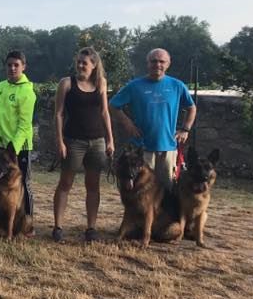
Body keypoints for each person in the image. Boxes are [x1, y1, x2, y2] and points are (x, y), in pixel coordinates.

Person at [110, 48, 196, 192]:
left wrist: (185, 129)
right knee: (141, 189)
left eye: (162, 61)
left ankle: (164, 215)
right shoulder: (134, 86)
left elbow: (191, 107)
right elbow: (113, 105)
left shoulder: (177, 86)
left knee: (167, 189)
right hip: (141, 148)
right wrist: (127, 123)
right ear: (148, 63)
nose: (157, 65)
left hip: (168, 146)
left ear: (168, 64)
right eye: (154, 61)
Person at [52, 47, 115, 243]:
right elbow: (59, 113)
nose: (80, 65)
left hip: (97, 141)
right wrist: (60, 140)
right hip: (73, 140)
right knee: (66, 183)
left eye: (84, 63)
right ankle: (58, 226)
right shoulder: (66, 83)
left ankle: (91, 228)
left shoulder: (101, 83)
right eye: (78, 62)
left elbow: (105, 112)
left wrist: (110, 139)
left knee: (93, 185)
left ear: (94, 65)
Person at [0, 50, 37, 225]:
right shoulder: (1, 86)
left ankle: (27, 222)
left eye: (16, 65)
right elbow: (0, 109)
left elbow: (25, 125)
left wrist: (12, 151)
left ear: (23, 67)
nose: (12, 68)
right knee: (0, 182)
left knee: (23, 183)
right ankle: (0, 220)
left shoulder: (27, 92)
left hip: (18, 148)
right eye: (9, 65)